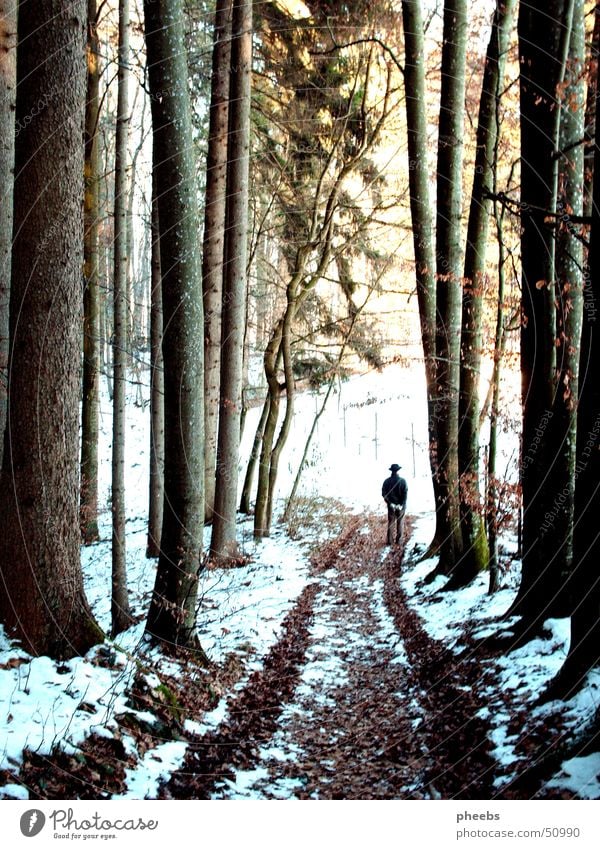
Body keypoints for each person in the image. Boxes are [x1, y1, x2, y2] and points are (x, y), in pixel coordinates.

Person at [382, 463, 407, 545]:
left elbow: (384, 494)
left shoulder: (386, 481)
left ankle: (389, 541)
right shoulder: (403, 481)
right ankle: (399, 541)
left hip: (391, 506)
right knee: (400, 523)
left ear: (391, 471)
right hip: (400, 506)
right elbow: (405, 495)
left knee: (391, 522)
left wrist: (390, 503)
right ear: (398, 471)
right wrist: (401, 505)